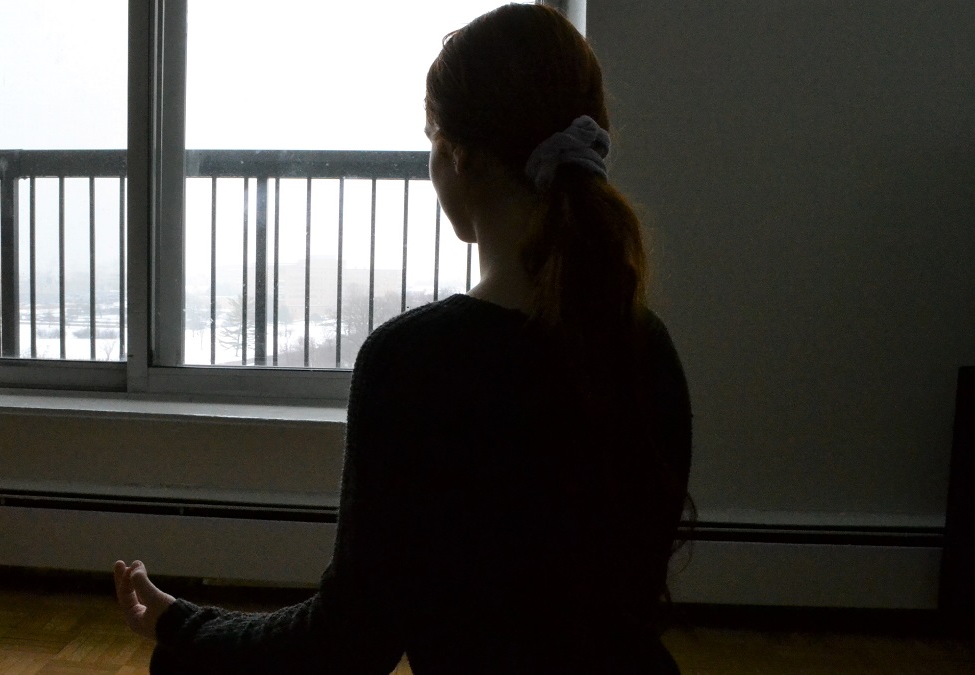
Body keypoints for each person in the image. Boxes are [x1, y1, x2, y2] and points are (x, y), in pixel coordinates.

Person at [114, 3, 692, 672]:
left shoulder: (414, 366)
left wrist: (180, 626)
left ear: (457, 155)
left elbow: (347, 643)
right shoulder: (649, 349)